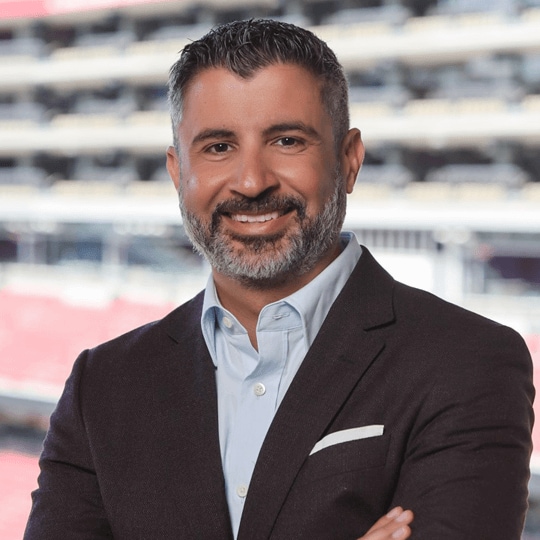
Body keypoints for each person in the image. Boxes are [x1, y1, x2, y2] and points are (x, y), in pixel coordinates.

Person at [24, 18, 533, 540]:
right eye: (218, 147)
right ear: (178, 173)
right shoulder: (102, 385)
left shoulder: (469, 362)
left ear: (349, 160)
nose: (251, 182)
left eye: (287, 140)